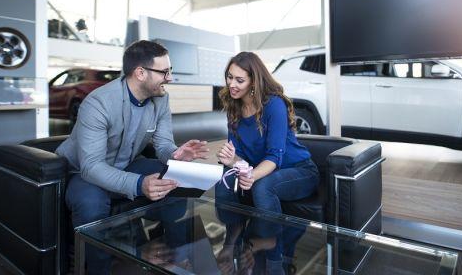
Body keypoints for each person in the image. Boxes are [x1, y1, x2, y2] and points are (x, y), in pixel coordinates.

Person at [56, 40, 209, 275]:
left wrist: (176, 154)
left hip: (125, 163)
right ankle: (99, 270)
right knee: (91, 204)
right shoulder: (98, 104)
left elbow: (163, 143)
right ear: (140, 73)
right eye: (164, 71)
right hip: (84, 172)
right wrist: (139, 184)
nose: (170, 77)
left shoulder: (161, 99)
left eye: (170, 71)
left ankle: (170, 259)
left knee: (177, 179)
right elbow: (92, 166)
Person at [215, 51, 319, 273]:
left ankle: (273, 249)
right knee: (224, 176)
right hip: (263, 169)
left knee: (263, 185)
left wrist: (250, 174)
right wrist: (233, 160)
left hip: (299, 170)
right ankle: (231, 239)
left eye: (239, 80)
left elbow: (274, 157)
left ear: (254, 80)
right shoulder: (233, 107)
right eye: (229, 77)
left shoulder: (273, 105)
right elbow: (241, 158)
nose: (231, 84)